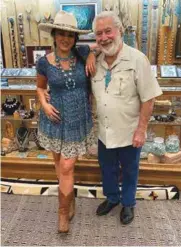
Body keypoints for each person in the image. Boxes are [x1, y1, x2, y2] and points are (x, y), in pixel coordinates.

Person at [90, 11, 162, 225]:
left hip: (130, 132)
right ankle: (112, 198)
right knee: (107, 169)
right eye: (99, 33)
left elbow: (149, 98)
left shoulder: (137, 59)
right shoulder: (96, 61)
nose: (104, 37)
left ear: (119, 31)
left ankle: (128, 203)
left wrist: (141, 129)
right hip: (104, 132)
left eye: (108, 31)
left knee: (130, 171)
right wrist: (91, 53)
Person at [36, 10, 95, 233]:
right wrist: (43, 103)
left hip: (78, 120)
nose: (65, 39)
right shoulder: (44, 62)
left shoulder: (81, 53)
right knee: (59, 166)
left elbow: (95, 48)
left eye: (70, 35)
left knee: (67, 166)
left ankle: (62, 213)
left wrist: (90, 55)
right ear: (54, 35)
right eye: (61, 34)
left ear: (75, 38)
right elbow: (40, 87)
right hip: (54, 119)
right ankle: (69, 201)